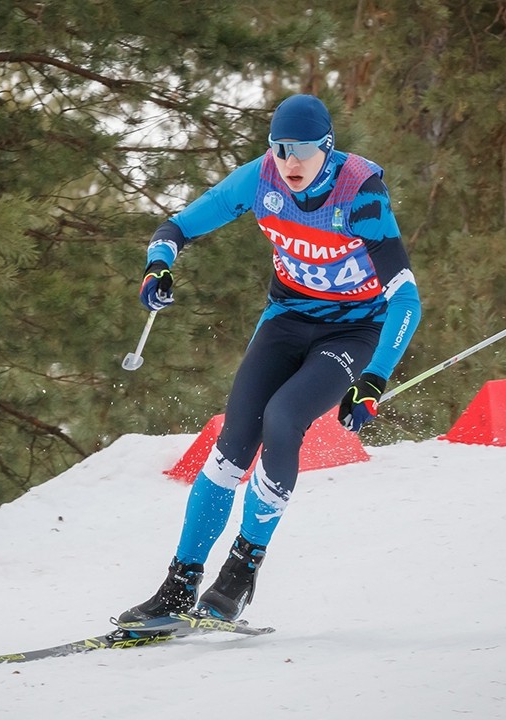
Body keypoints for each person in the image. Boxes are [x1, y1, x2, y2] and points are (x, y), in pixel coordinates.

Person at [120, 94, 421, 624]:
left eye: (302, 151)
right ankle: (179, 583)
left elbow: (406, 299)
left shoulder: (360, 194)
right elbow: (176, 227)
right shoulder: (260, 180)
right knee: (234, 442)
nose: (290, 163)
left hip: (354, 331)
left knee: (283, 421)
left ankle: (241, 570)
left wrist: (374, 379)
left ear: (326, 149)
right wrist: (158, 266)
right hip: (286, 320)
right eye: (280, 150)